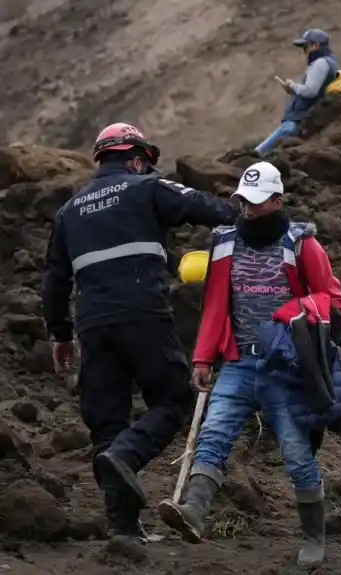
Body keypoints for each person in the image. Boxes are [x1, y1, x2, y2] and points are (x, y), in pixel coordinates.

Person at [41, 122, 237, 552]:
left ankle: (123, 531)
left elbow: (54, 281)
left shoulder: (69, 211)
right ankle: (129, 455)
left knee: (106, 421)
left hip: (92, 325)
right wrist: (245, 217)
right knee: (174, 399)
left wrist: (60, 335)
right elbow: (200, 205)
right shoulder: (145, 187)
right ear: (135, 158)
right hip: (143, 314)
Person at [157, 161, 341, 568]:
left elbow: (332, 298)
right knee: (214, 434)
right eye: (243, 201)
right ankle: (193, 511)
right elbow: (215, 306)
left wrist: (290, 314)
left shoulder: (301, 245)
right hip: (238, 362)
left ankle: (315, 536)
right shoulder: (224, 242)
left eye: (258, 203)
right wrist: (204, 357)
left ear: (278, 201)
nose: (248, 210)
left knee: (296, 454)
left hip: (285, 366)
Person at [255, 28, 340, 156]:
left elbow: (311, 91)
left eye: (306, 46)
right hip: (300, 120)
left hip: (296, 121)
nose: (304, 51)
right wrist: (292, 91)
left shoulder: (320, 63)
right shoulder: (330, 62)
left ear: (315, 45)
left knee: (257, 154)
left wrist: (293, 86)